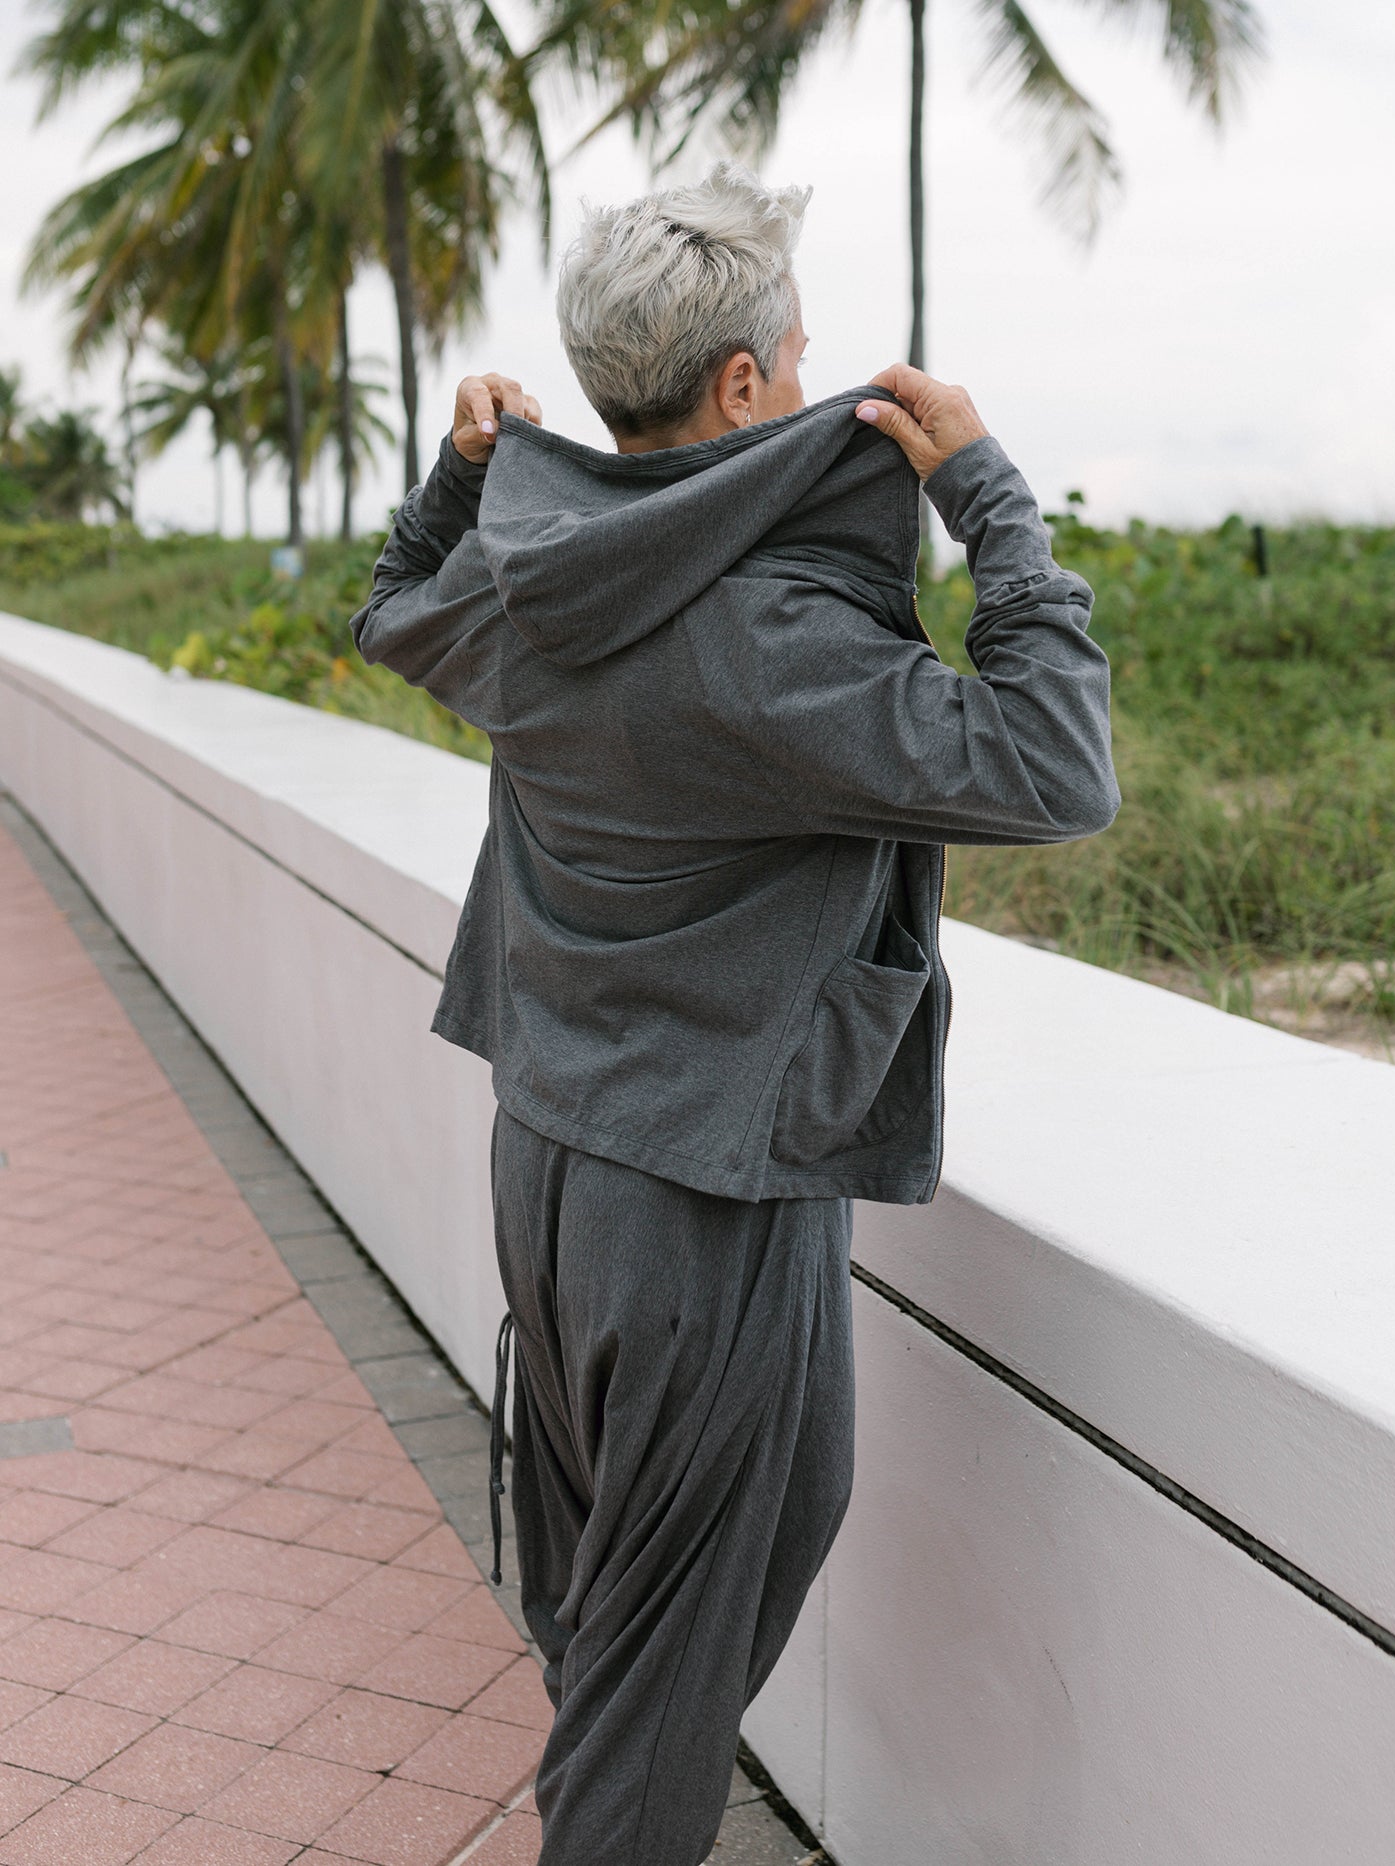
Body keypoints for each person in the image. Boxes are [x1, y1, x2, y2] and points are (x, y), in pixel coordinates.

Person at [349, 159, 1119, 1866]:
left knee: (700, 1563)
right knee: (660, 1658)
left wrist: (459, 473)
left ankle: (613, 1770)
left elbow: (395, 608)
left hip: (554, 1153)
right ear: (752, 385)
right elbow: (1060, 762)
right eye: (800, 335)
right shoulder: (776, 638)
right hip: (695, 1205)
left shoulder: (529, 581)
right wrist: (991, 499)